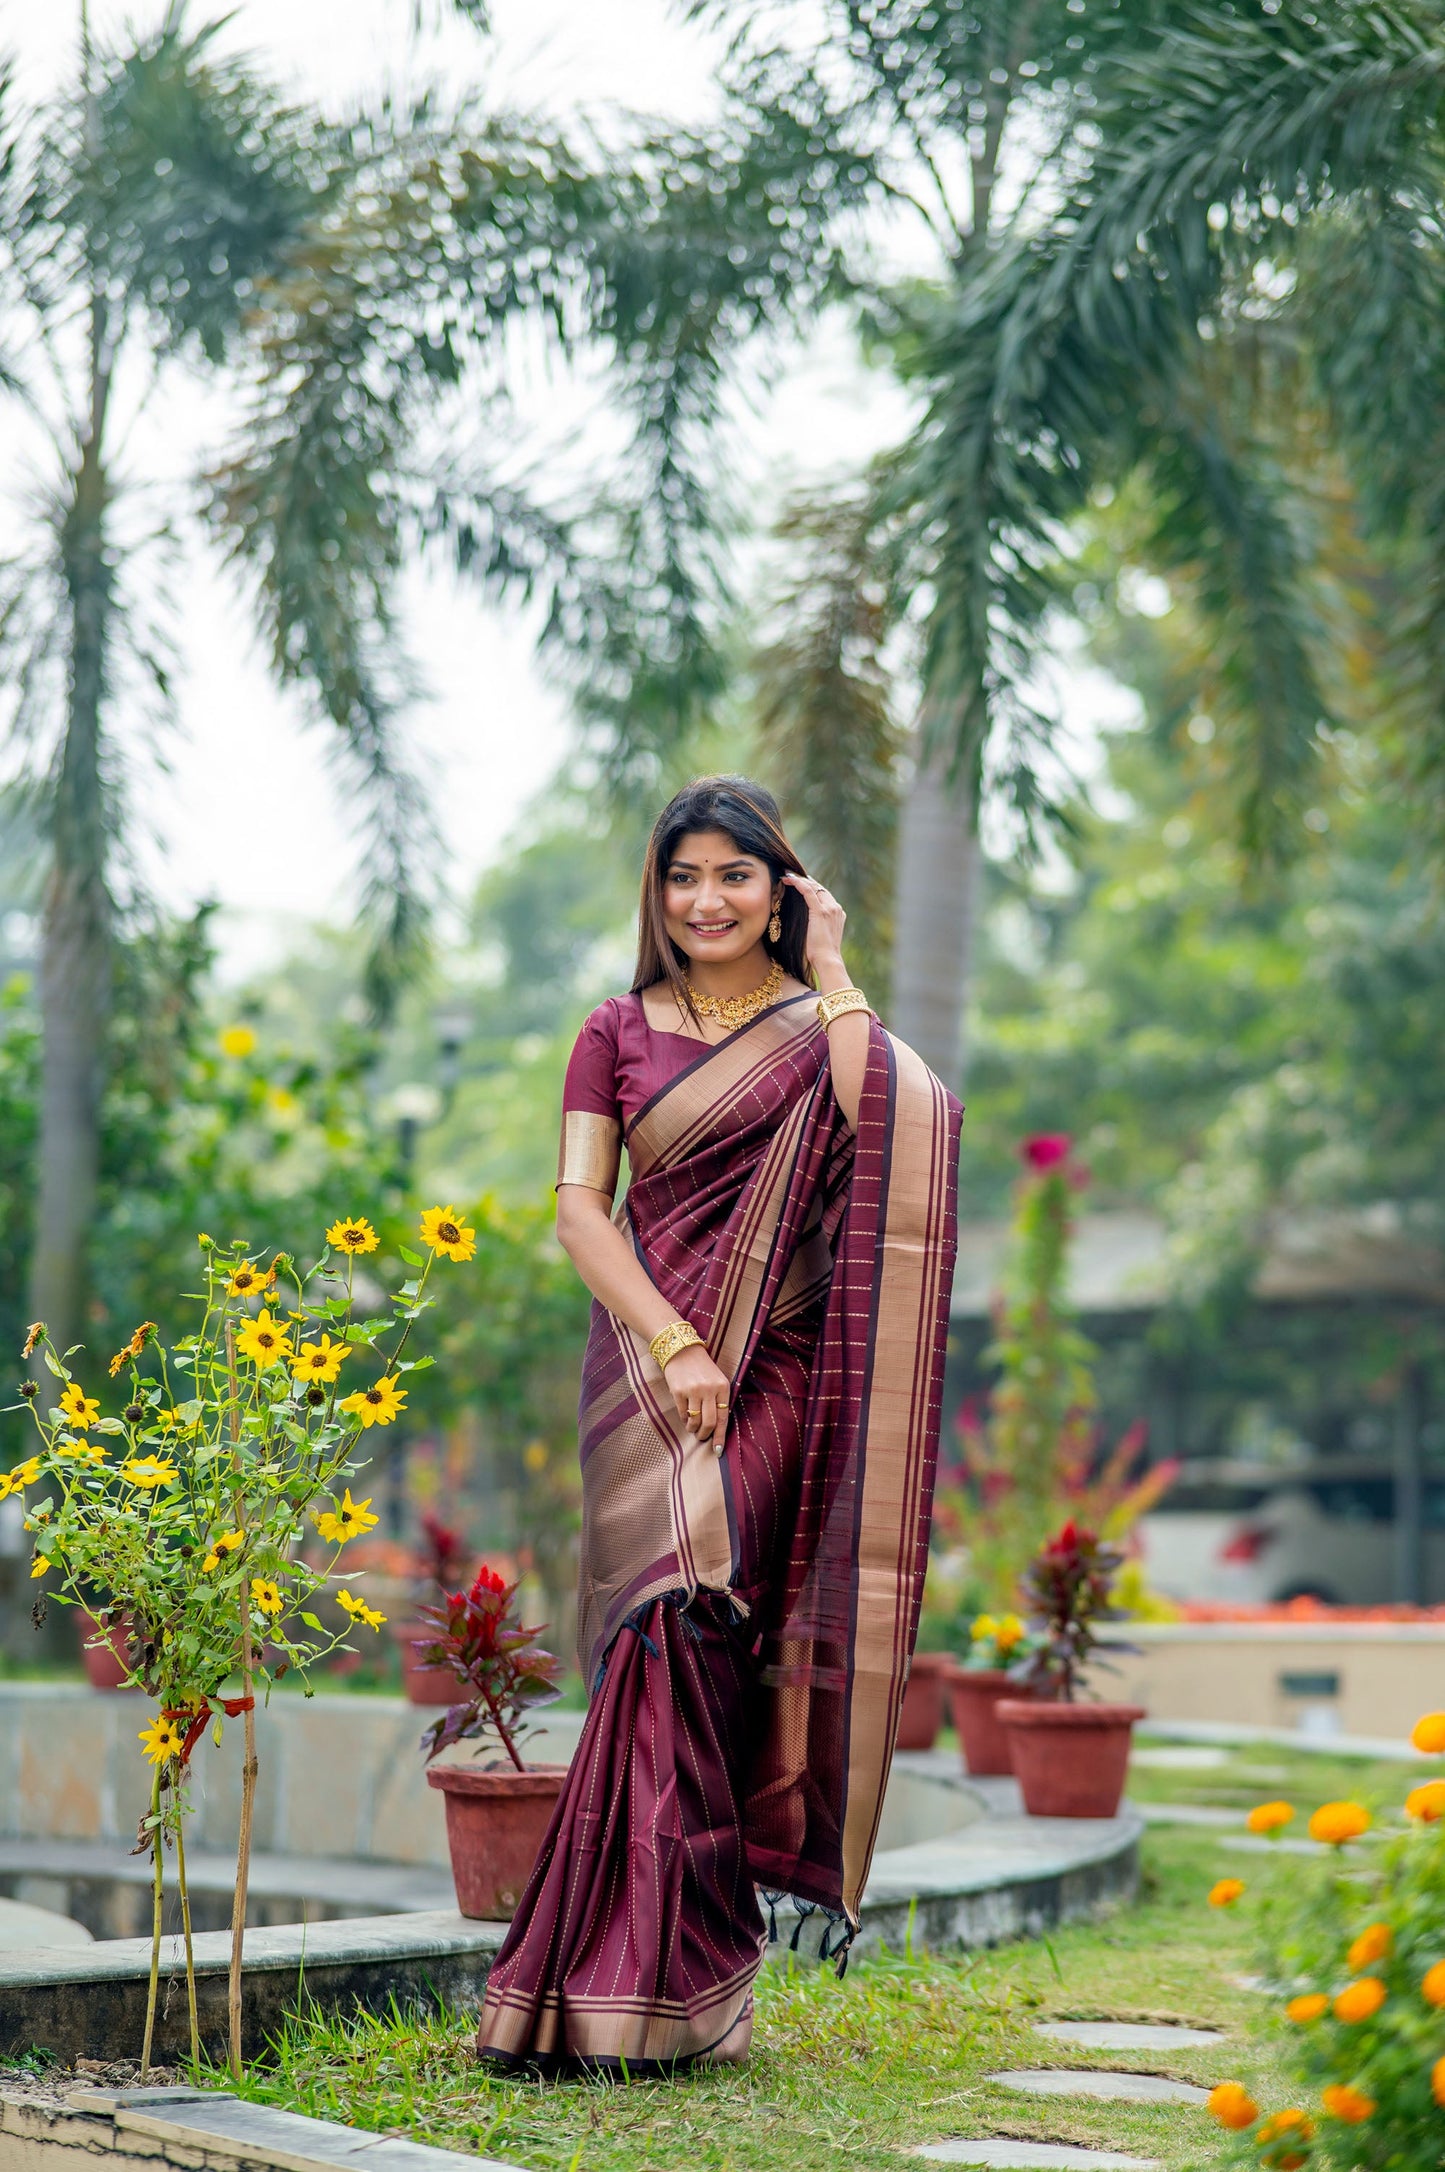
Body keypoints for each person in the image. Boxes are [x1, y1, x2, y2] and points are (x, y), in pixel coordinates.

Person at [476, 775, 962, 2074]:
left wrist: (835, 970)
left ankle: (657, 1966)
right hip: (645, 1370)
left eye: (733, 875)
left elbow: (899, 1129)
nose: (706, 900)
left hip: (780, 1368)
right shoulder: (612, 1030)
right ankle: (636, 1979)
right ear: (658, 891)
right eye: (683, 876)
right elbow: (580, 1212)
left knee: (699, 1613)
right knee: (662, 1633)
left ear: (779, 887)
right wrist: (674, 1339)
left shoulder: (819, 1027)